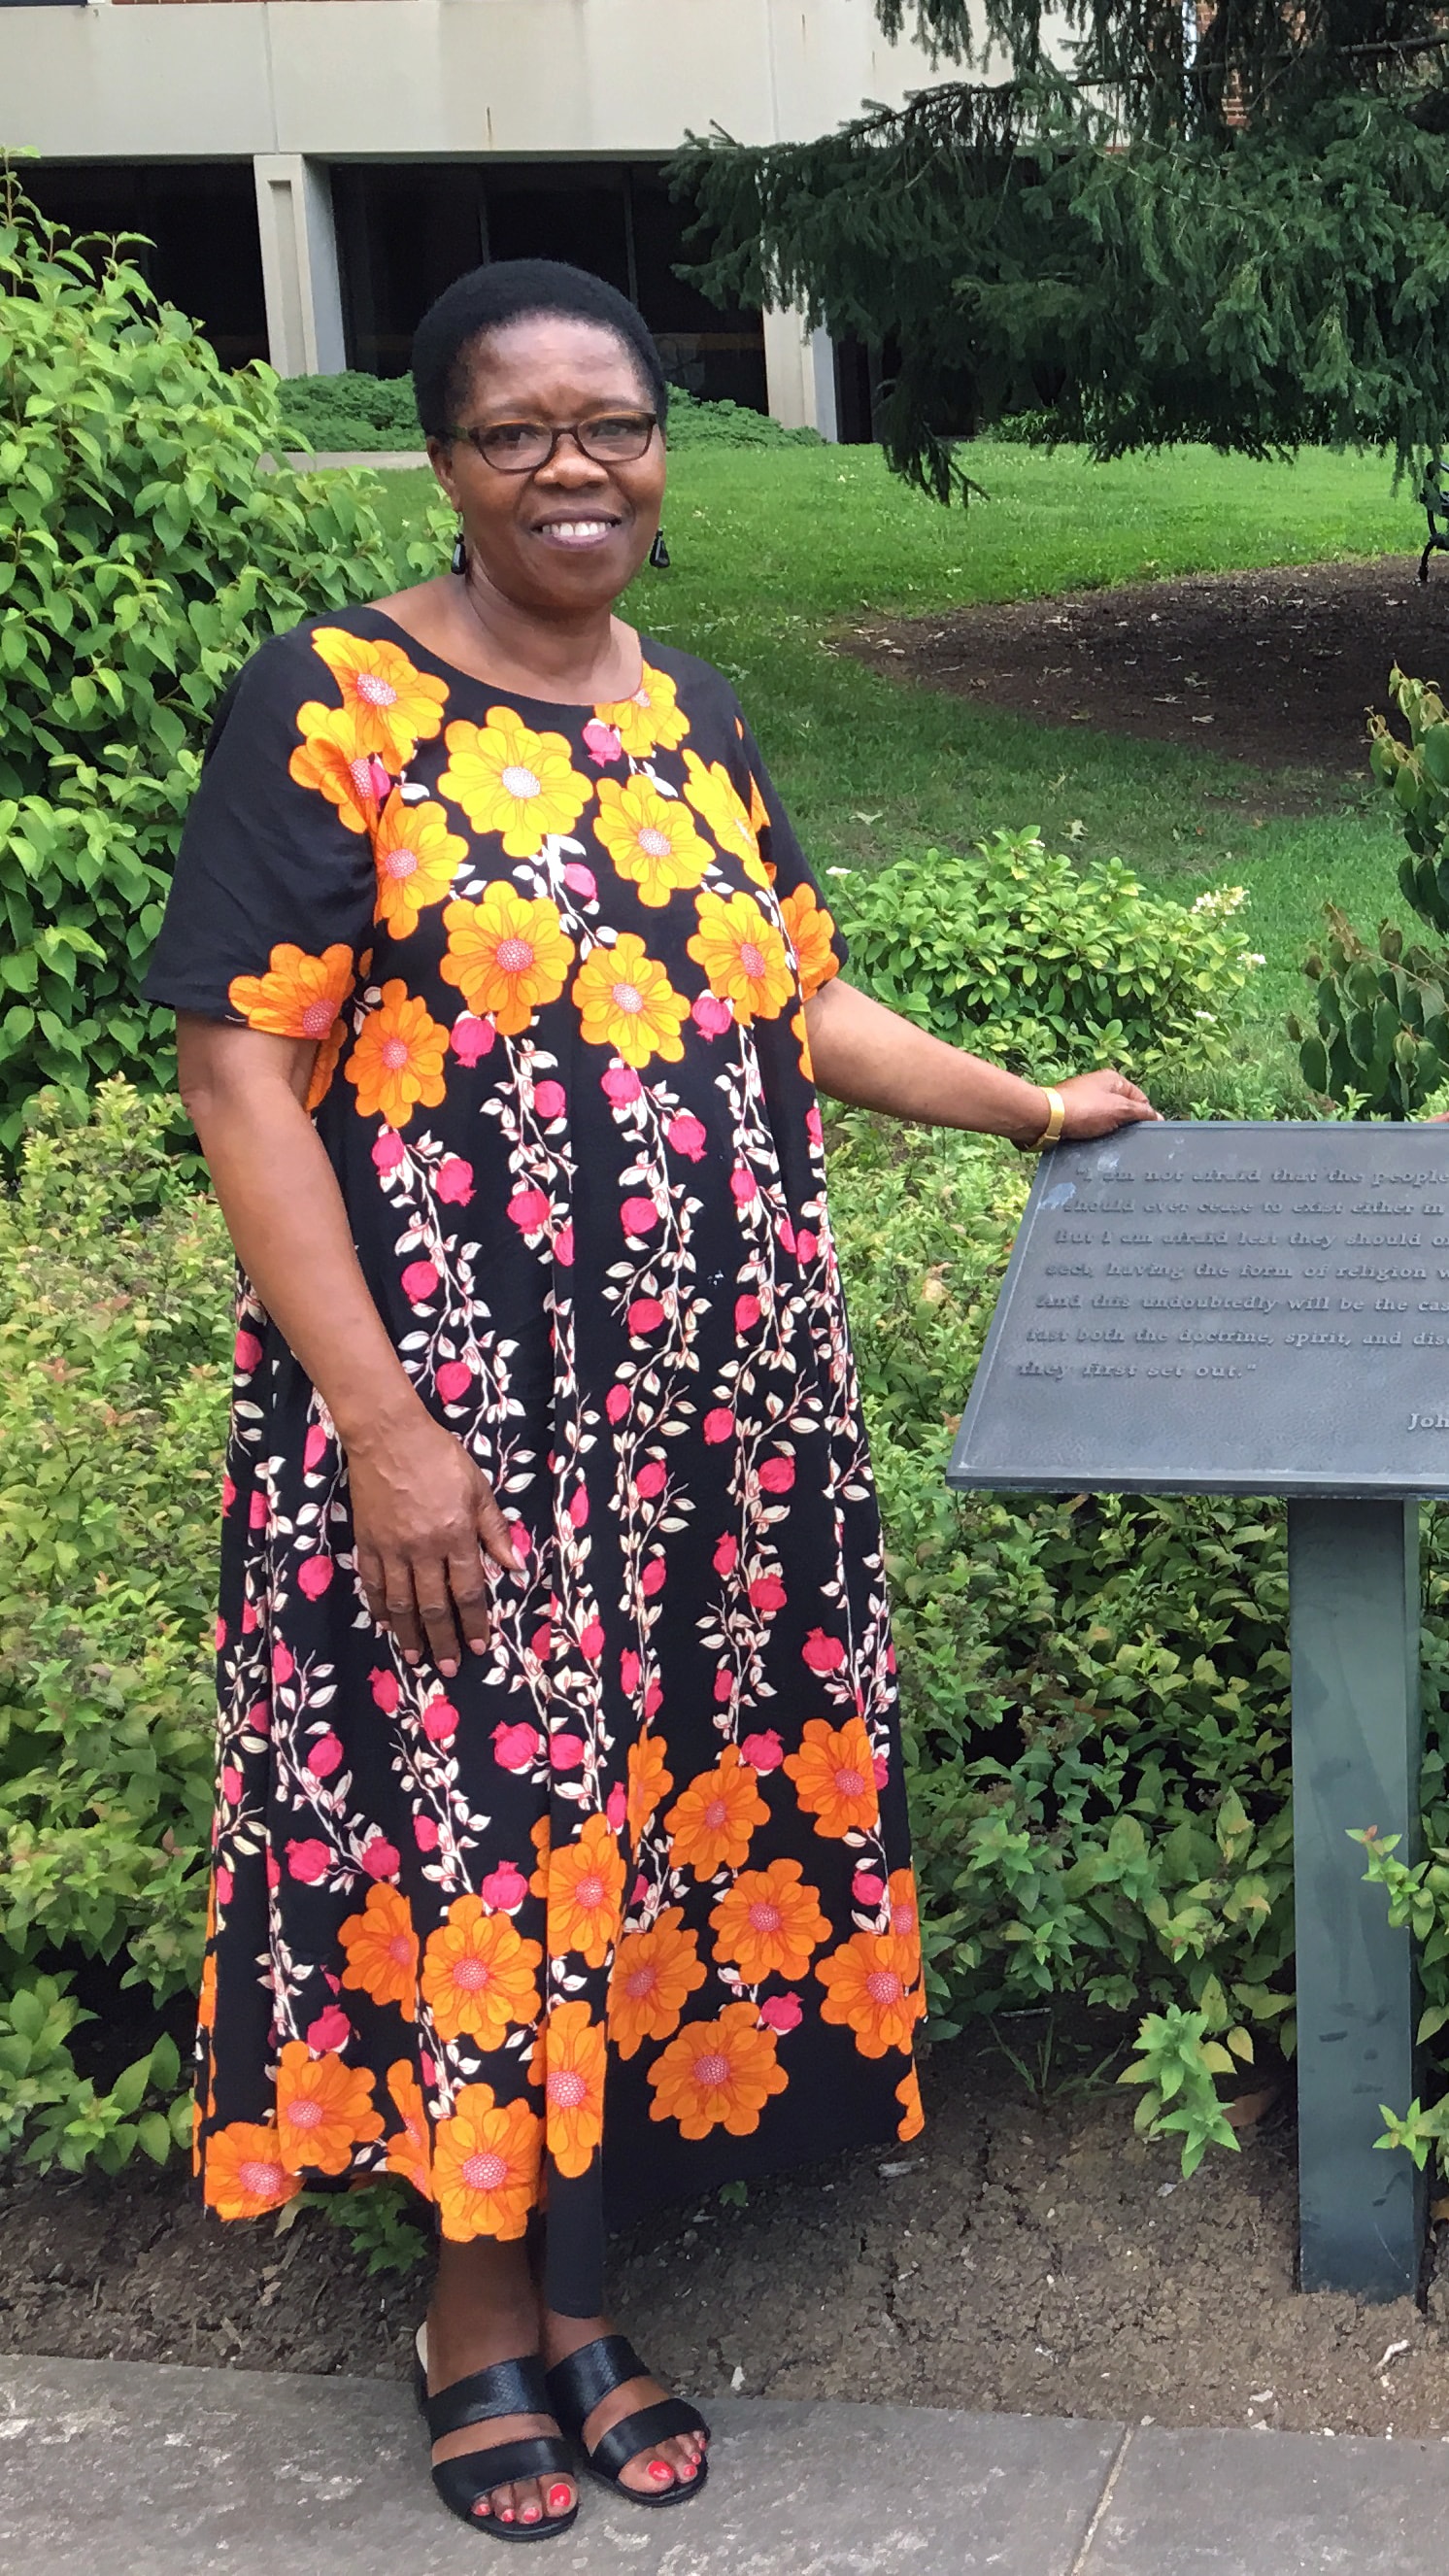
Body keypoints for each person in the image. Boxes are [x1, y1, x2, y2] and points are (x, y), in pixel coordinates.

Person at [145, 256, 1157, 2545]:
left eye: (613, 423)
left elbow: (796, 1004)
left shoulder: (685, 712)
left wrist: (1023, 1106)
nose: (575, 465)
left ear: (660, 447)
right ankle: (477, 2320)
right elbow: (242, 1071)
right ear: (443, 457)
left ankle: (581, 2287)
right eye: (519, 432)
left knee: (657, 1821)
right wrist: (384, 1429)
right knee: (491, 1837)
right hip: (457, 1420)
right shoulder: (331, 704)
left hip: (710, 1424)